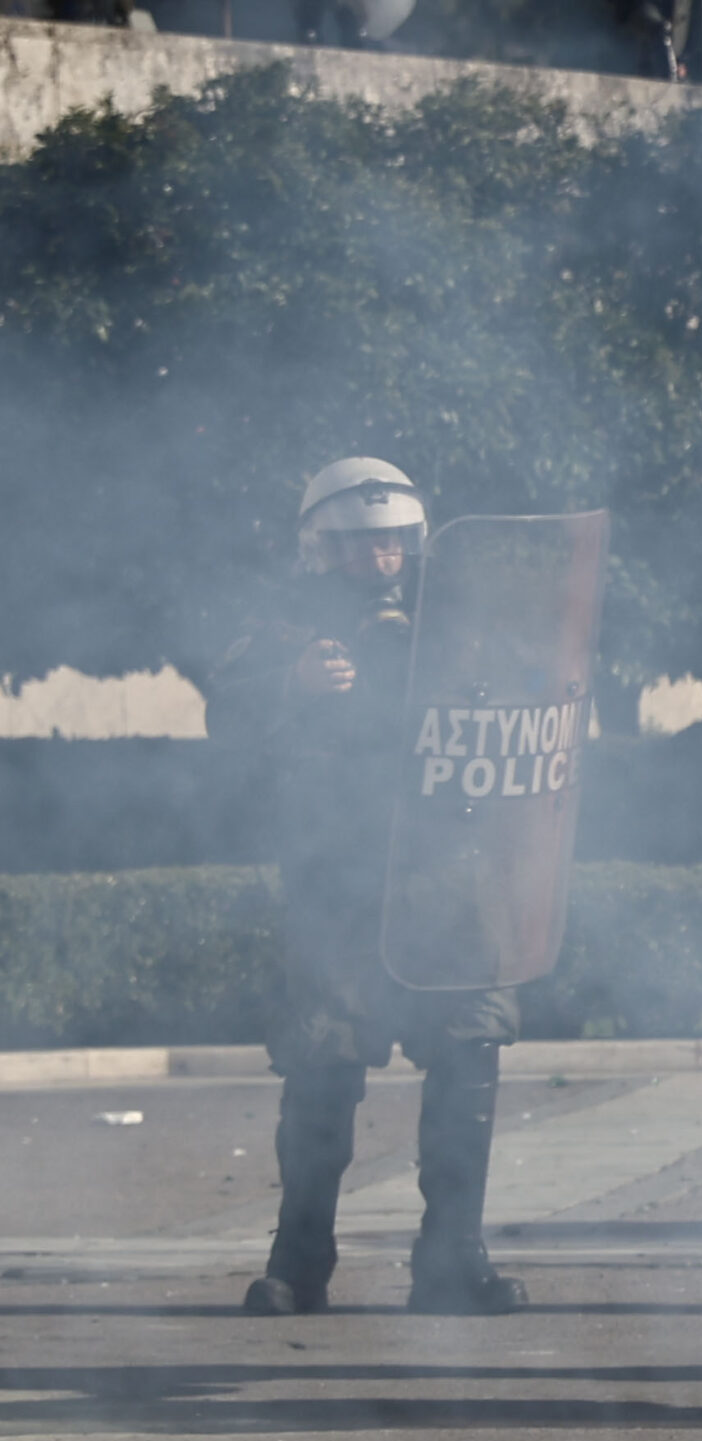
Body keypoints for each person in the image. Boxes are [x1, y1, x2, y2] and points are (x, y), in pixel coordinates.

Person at [208, 458, 527, 1316]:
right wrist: (294, 683)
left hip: (451, 881)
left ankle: (454, 1260)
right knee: (321, 1066)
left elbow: (538, 704)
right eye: (359, 547)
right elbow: (225, 714)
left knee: (469, 1054)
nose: (380, 561)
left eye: (391, 544)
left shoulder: (461, 621)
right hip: (337, 884)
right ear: (321, 549)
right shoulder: (280, 628)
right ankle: (299, 1262)